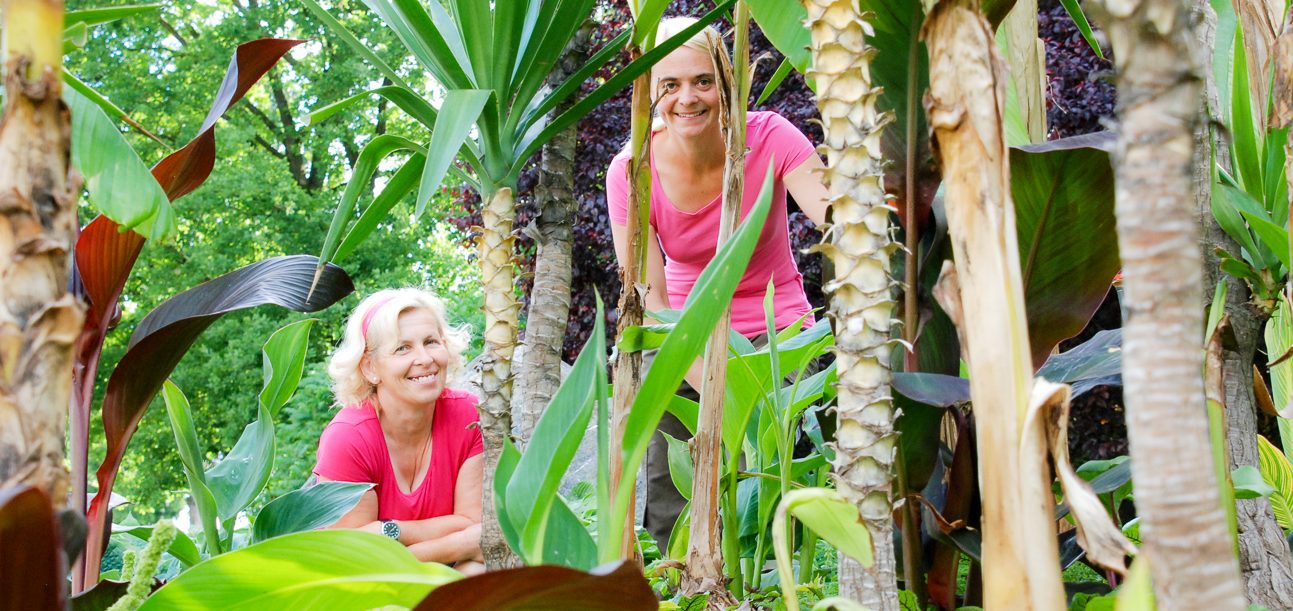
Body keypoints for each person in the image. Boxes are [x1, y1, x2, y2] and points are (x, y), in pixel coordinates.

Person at [605, 17, 831, 549]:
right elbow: (651, 300)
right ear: (648, 92)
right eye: (670, 84)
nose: (689, 98)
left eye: (703, 81)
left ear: (727, 81)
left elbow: (834, 216)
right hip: (682, 337)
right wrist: (716, 380)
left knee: (779, 500)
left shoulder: (771, 137)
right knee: (672, 504)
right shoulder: (631, 170)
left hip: (779, 336)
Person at [313, 288, 485, 574]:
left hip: (445, 575)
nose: (424, 358)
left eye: (431, 342)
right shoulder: (349, 437)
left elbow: (472, 525)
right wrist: (458, 543)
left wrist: (388, 530)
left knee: (476, 572)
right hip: (367, 593)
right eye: (403, 348)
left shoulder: (468, 415)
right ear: (369, 367)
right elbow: (354, 563)